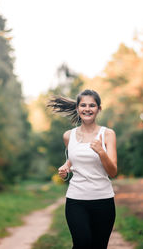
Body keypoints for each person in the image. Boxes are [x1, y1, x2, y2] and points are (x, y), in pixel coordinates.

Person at [47, 89, 117, 249]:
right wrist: (66, 166)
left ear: (99, 109)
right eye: (83, 105)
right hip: (76, 200)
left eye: (92, 105)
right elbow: (74, 157)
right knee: (82, 244)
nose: (87, 108)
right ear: (78, 108)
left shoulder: (108, 134)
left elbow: (112, 171)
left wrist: (101, 152)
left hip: (103, 200)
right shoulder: (68, 136)